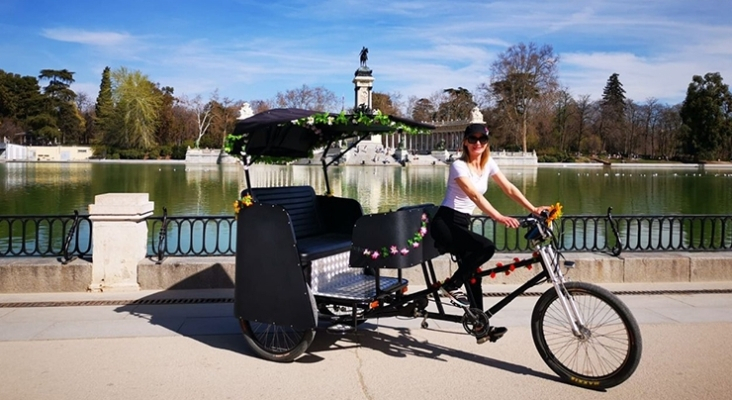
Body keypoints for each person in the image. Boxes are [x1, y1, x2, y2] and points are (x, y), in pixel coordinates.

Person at [429, 123, 548, 344]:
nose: (477, 143)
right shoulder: (458, 165)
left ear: (487, 143)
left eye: (482, 140)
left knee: (473, 277)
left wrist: (533, 209)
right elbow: (474, 196)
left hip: (462, 223)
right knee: (486, 247)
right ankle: (451, 286)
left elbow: (509, 188)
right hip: (446, 223)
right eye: (473, 139)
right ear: (465, 141)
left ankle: (480, 326)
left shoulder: (488, 164)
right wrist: (498, 217)